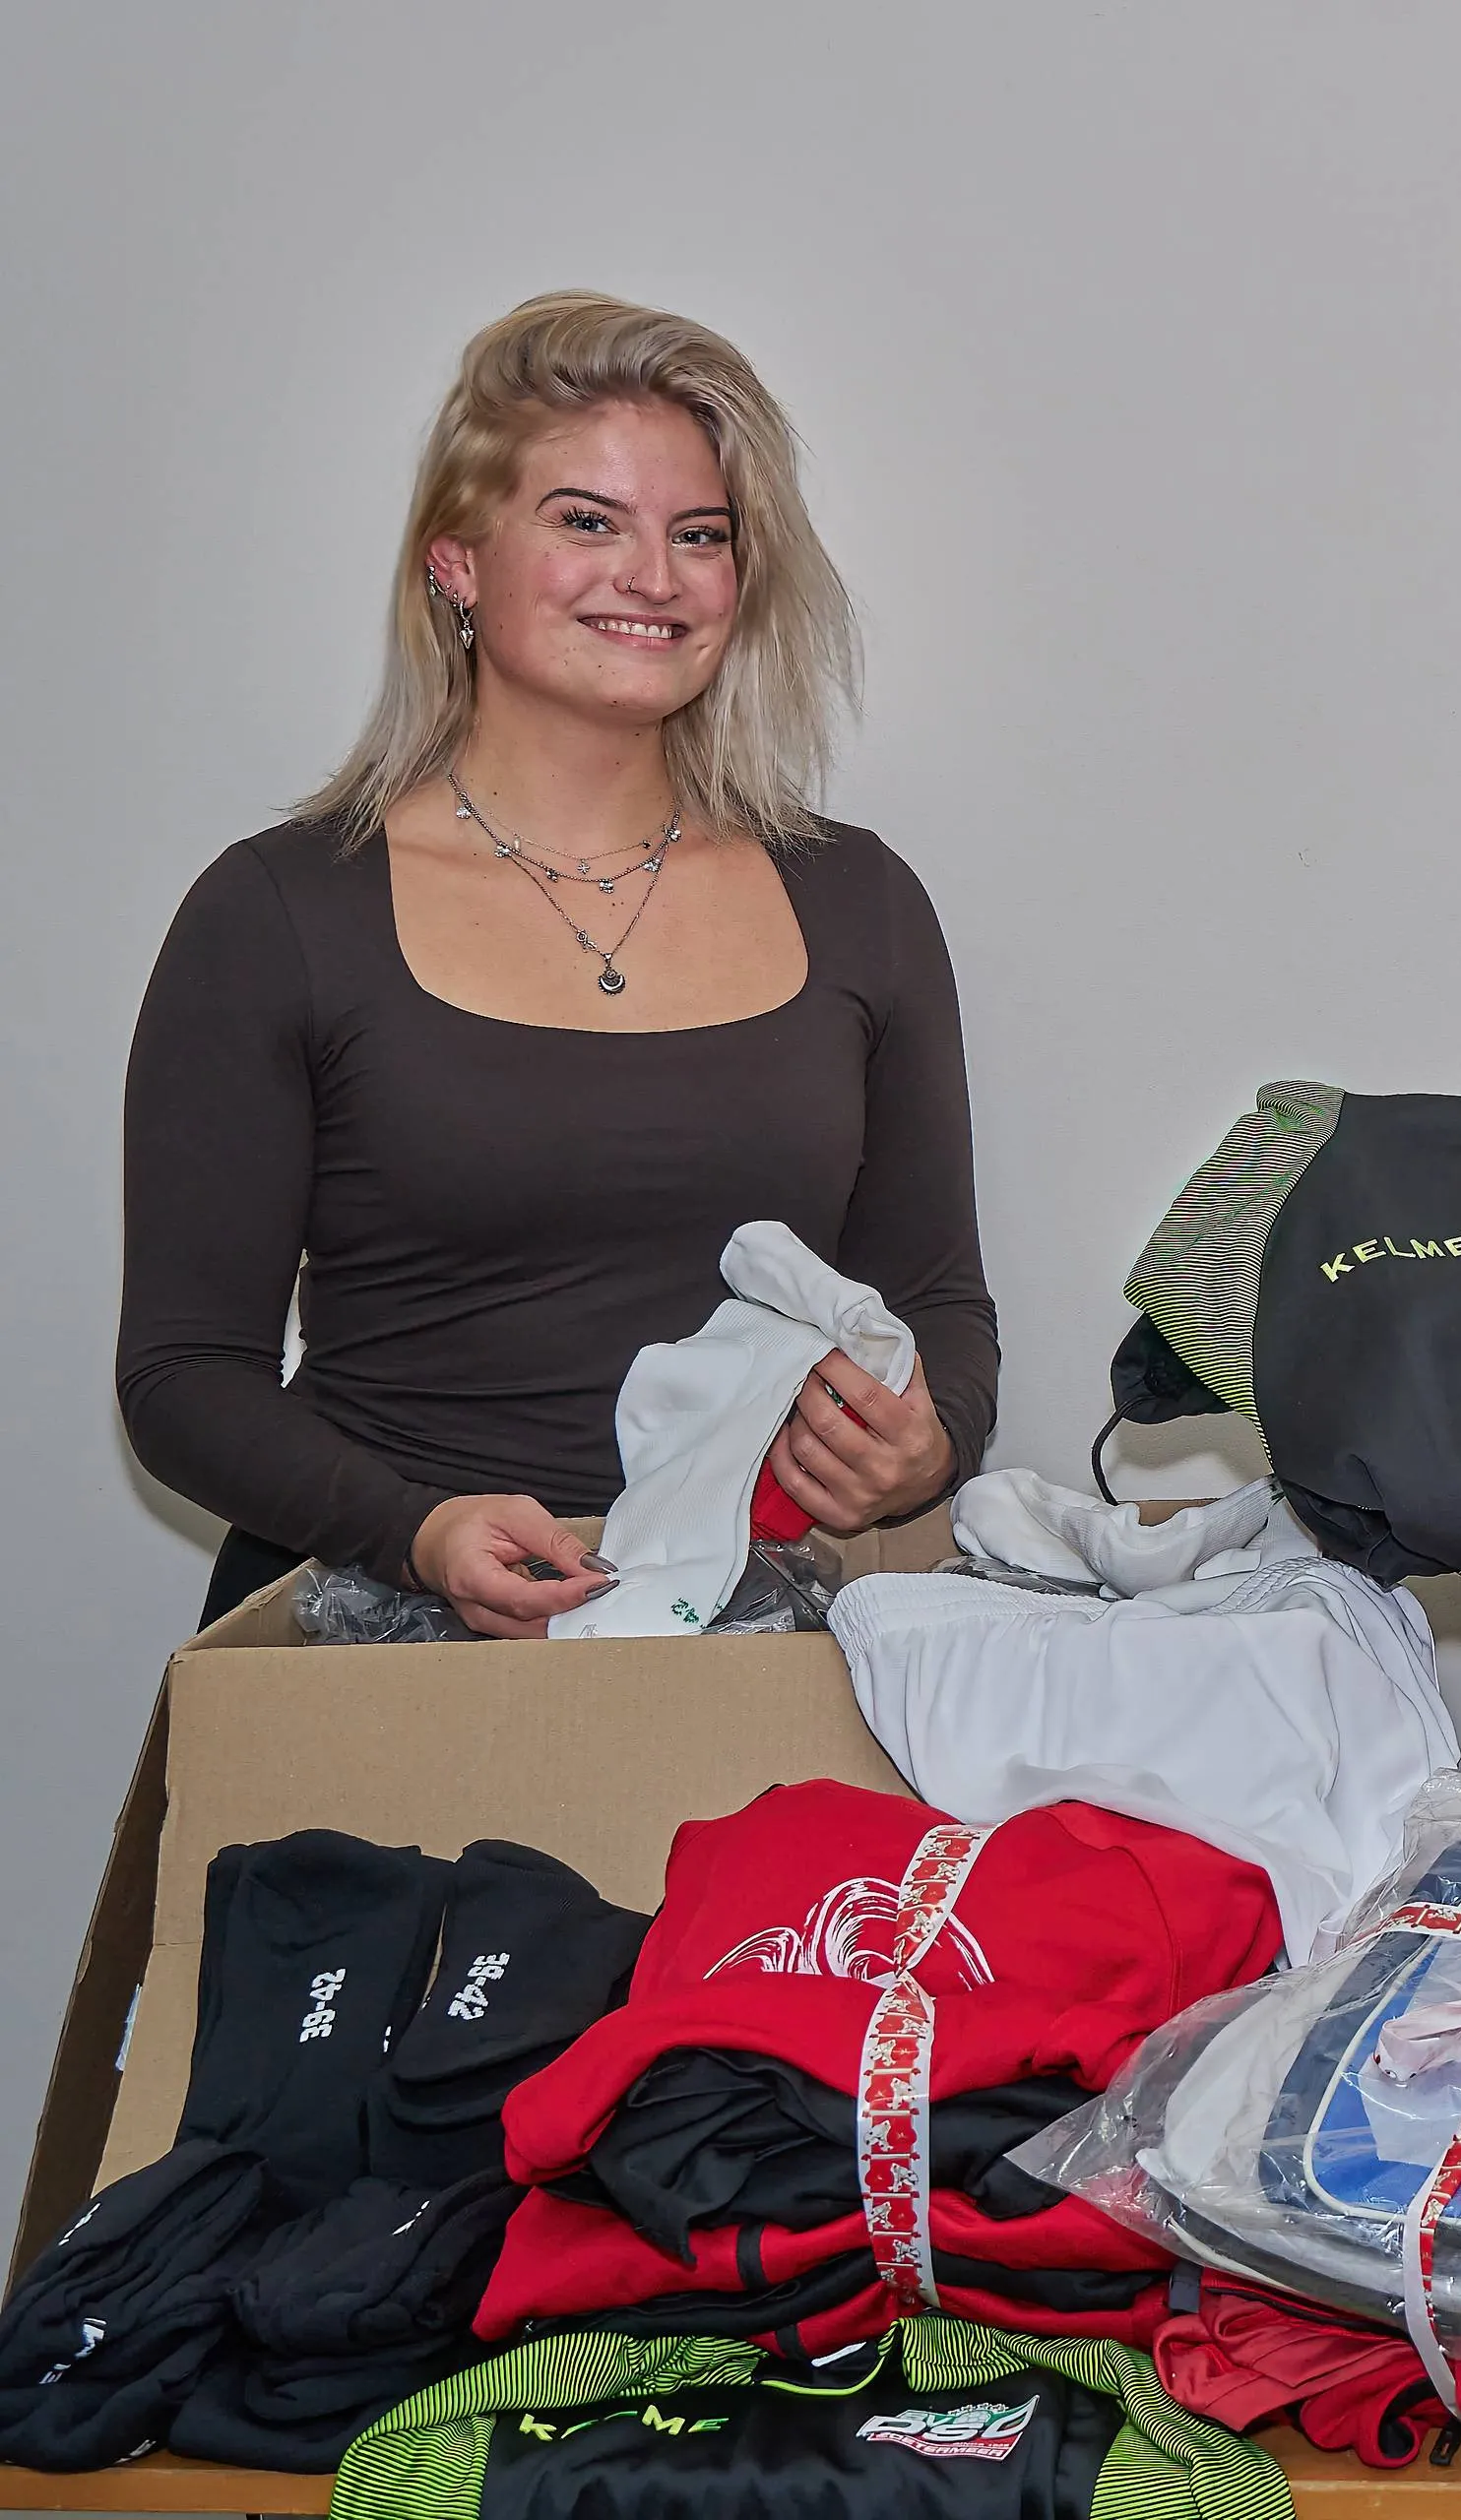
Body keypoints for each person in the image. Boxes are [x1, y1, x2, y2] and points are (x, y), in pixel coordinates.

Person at [119, 292, 997, 1637]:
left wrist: (925, 1448)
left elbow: (935, 1304)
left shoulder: (860, 902)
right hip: (374, 1633)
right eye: (588, 521)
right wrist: (412, 1531)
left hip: (746, 1639)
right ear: (457, 561)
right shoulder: (279, 912)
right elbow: (185, 1375)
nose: (654, 576)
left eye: (699, 535)